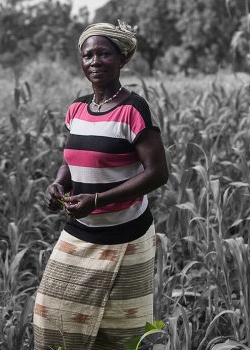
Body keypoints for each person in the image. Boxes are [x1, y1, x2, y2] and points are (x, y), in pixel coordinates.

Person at [34, 21, 169, 349]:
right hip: (80, 232)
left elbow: (157, 173)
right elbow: (73, 158)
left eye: (103, 53)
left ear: (121, 59)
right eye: (87, 54)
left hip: (127, 236)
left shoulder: (133, 109)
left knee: (122, 332)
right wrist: (57, 183)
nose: (94, 61)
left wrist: (98, 199)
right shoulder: (77, 109)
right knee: (50, 317)